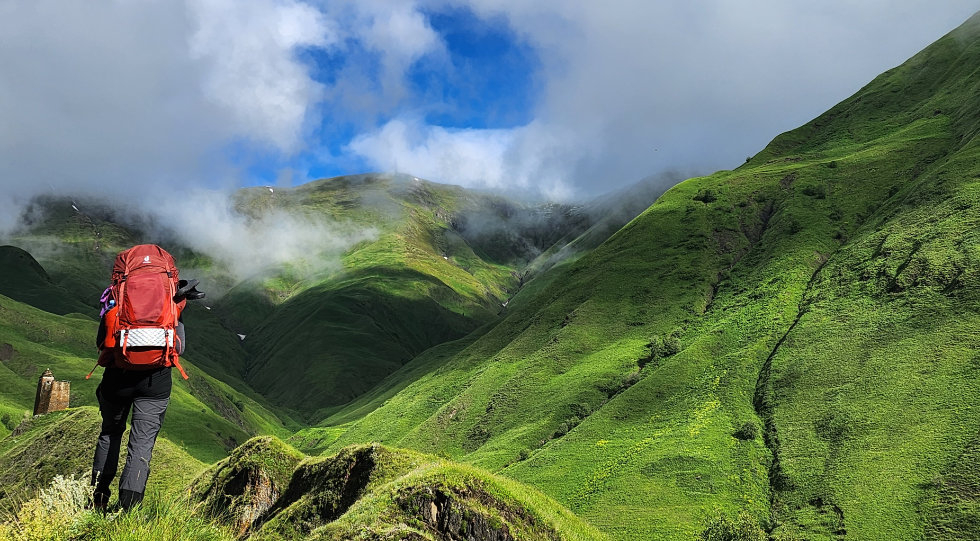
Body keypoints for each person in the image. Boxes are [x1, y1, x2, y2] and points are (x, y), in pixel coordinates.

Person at [89, 247, 202, 510]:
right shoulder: (172, 299)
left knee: (109, 434)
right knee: (141, 445)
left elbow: (101, 343)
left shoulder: (116, 295)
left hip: (117, 378)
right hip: (156, 381)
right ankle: (128, 512)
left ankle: (97, 502)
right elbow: (180, 347)